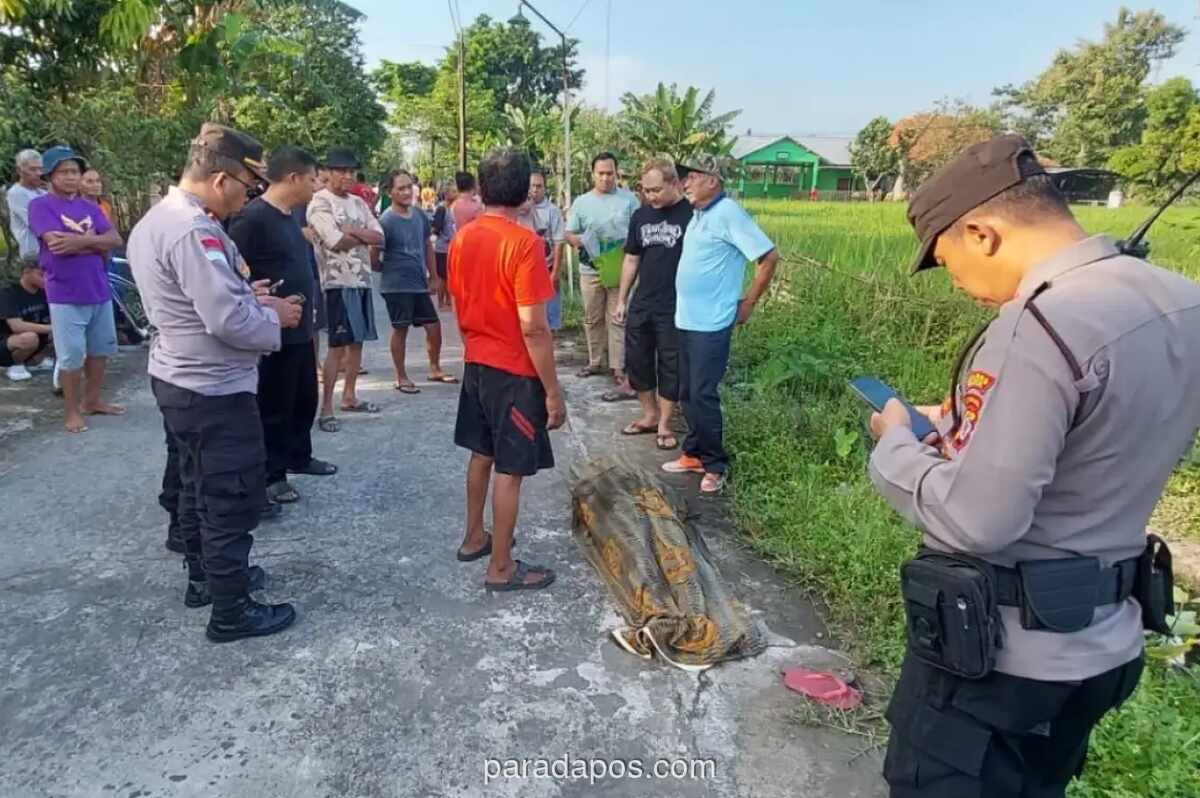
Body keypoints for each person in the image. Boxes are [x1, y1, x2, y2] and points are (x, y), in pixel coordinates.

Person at [866, 135, 1200, 798]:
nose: (958, 283)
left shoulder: (1043, 322)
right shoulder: (1182, 300)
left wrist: (896, 444)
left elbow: (977, 519)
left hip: (1003, 663)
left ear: (982, 233)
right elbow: (1103, 438)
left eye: (946, 260)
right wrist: (967, 427)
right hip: (1106, 646)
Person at [127, 122, 303, 641]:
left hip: (180, 377)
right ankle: (232, 610)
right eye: (246, 188)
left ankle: (207, 578)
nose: (246, 199)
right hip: (211, 385)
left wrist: (254, 299)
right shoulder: (193, 231)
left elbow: (201, 301)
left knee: (195, 484)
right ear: (223, 179)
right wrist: (276, 320)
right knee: (230, 494)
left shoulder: (161, 219)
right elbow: (225, 321)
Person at [448, 148, 565, 592]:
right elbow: (534, 328)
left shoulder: (463, 237)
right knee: (510, 470)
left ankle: (474, 536)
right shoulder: (524, 244)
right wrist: (553, 390)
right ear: (523, 192)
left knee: (481, 453)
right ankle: (501, 567)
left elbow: (460, 298)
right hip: (513, 371)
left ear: (482, 187)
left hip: (477, 362)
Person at [228, 145, 338, 507]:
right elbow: (233, 275)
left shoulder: (290, 216)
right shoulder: (251, 218)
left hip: (300, 325)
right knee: (275, 402)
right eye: (311, 179)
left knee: (304, 396)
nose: (314, 185)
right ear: (292, 178)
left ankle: (298, 455)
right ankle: (271, 474)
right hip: (271, 328)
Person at [663, 155, 778, 494]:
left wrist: (749, 302)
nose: (685, 183)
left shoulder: (728, 213)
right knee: (687, 391)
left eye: (692, 177)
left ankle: (716, 464)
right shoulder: (698, 216)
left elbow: (768, 257)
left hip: (711, 323)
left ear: (713, 180)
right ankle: (694, 453)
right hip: (687, 319)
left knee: (702, 393)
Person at [28, 146, 125, 433]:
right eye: (64, 172)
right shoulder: (40, 206)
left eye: (75, 172)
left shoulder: (90, 207)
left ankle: (92, 401)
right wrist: (94, 240)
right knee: (71, 356)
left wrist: (79, 243)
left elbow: (115, 238)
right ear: (50, 176)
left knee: (99, 350)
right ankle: (71, 412)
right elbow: (55, 243)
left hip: (98, 289)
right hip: (65, 292)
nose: (72, 177)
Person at [614, 158, 692, 451]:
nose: (650, 196)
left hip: (675, 304)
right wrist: (622, 299)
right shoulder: (641, 215)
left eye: (656, 190)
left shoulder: (691, 215)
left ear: (674, 183)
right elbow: (632, 258)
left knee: (670, 364)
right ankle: (649, 415)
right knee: (638, 361)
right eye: (646, 190)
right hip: (643, 302)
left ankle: (665, 423)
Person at [308, 147, 384, 432]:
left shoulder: (359, 203)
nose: (347, 176)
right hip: (336, 281)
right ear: (327, 172)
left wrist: (354, 232)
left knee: (358, 342)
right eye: (341, 170)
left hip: (361, 279)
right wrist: (358, 235)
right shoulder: (319, 202)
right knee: (337, 347)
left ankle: (350, 396)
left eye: (351, 171)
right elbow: (334, 239)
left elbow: (380, 235)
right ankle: (326, 407)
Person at [565, 152, 640, 400]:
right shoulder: (582, 203)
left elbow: (638, 233)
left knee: (618, 317)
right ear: (593, 174)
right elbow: (569, 233)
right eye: (601, 174)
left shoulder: (630, 201)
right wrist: (582, 242)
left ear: (616, 174)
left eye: (610, 173)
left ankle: (618, 367)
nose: (606, 178)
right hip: (590, 268)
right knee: (592, 316)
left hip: (620, 268)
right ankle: (595, 360)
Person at [373, 169, 456, 393]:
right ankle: (401, 376)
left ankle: (435, 368)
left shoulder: (419, 215)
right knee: (401, 329)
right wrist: (379, 267)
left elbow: (427, 245)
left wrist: (434, 276)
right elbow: (375, 250)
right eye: (401, 188)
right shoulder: (386, 220)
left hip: (418, 283)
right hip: (396, 285)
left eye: (409, 186)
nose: (407, 191)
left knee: (433, 325)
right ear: (390, 192)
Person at [525, 168, 566, 332]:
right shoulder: (519, 210)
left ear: (545, 188)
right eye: (532, 186)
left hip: (547, 267)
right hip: (527, 269)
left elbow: (559, 242)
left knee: (550, 317)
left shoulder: (552, 211)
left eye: (539, 186)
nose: (535, 190)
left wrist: (555, 272)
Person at [0, 262, 53, 381]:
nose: (46, 278)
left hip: (37, 340)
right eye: (41, 274)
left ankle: (34, 361)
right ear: (26, 271)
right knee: (29, 338)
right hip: (6, 342)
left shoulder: (46, 292)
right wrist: (52, 328)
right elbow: (17, 326)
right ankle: (14, 365)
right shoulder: (7, 293)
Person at [5, 149, 46, 270]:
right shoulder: (16, 193)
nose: (38, 173)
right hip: (34, 254)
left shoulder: (42, 192)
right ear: (19, 171)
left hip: (48, 249)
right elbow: (37, 223)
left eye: (40, 169)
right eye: (33, 169)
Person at [431, 182, 458, 310]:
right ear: (446, 194)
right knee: (442, 277)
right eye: (453, 191)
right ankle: (441, 302)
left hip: (451, 247)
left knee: (449, 276)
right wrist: (447, 237)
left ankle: (448, 301)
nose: (456, 194)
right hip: (443, 248)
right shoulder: (442, 208)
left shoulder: (453, 208)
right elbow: (436, 228)